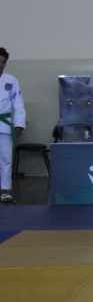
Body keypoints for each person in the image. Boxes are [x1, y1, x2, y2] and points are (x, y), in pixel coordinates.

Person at [0, 48, 26, 204]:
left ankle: (5, 191)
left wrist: (19, 123)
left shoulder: (11, 80)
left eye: (3, 62)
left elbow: (18, 103)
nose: (0, 65)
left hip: (4, 124)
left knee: (6, 158)